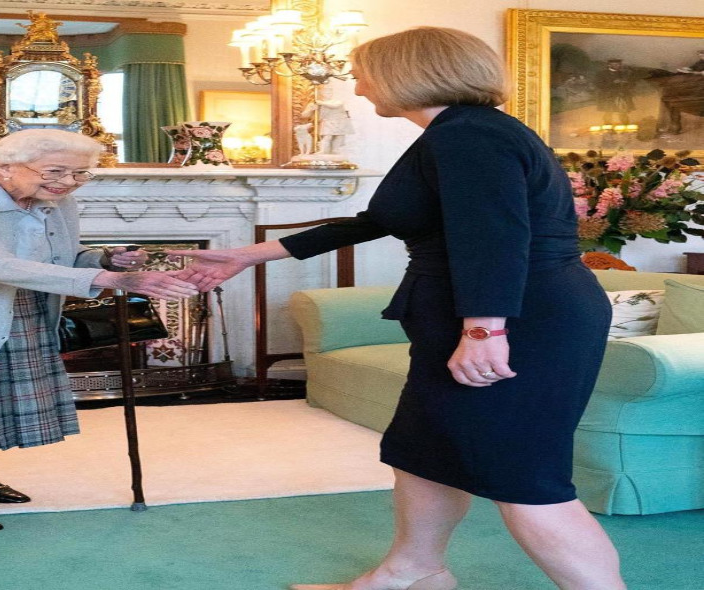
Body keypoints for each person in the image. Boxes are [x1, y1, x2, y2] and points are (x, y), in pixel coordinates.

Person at [174, 27, 625, 590]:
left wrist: (485, 330)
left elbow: (494, 236)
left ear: (407, 73)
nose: (360, 86)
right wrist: (248, 254)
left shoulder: (469, 135)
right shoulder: (457, 132)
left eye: (364, 74)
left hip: (524, 318)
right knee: (423, 450)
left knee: (526, 474)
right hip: (487, 313)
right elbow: (380, 221)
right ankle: (413, 573)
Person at [0, 129, 199, 532]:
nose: (68, 182)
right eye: (55, 171)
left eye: (80, 173)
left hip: (20, 307)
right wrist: (110, 280)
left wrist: (105, 259)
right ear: (5, 167)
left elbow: (63, 255)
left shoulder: (57, 203)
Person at [300, 86, 355, 155]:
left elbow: (335, 105)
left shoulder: (336, 101)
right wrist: (311, 110)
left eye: (330, 92)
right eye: (325, 92)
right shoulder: (315, 103)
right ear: (321, 93)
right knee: (327, 136)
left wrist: (321, 103)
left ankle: (335, 150)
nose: (328, 93)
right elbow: (304, 115)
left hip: (340, 122)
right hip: (327, 122)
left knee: (339, 136)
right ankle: (323, 150)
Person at [594, 58, 635, 125]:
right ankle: (608, 126)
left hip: (622, 95)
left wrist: (626, 83)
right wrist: (613, 83)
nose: (616, 66)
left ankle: (625, 125)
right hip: (608, 96)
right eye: (614, 64)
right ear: (609, 65)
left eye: (618, 64)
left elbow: (632, 83)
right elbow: (599, 84)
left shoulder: (624, 73)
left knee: (623, 111)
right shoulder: (602, 74)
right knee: (608, 111)